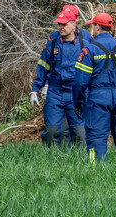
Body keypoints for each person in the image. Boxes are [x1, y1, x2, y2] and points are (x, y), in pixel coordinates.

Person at [74, 13, 116, 162]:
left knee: (96, 139)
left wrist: (78, 102)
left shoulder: (89, 50)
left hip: (97, 99)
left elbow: (80, 82)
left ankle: (96, 175)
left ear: (97, 27)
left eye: (93, 25)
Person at [30, 10, 86, 146]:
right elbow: (43, 68)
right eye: (59, 24)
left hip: (75, 93)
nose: (61, 27)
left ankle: (80, 162)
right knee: (51, 131)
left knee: (80, 134)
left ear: (74, 25)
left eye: (64, 24)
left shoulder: (84, 45)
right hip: (55, 92)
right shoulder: (52, 44)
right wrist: (35, 90)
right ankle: (50, 161)